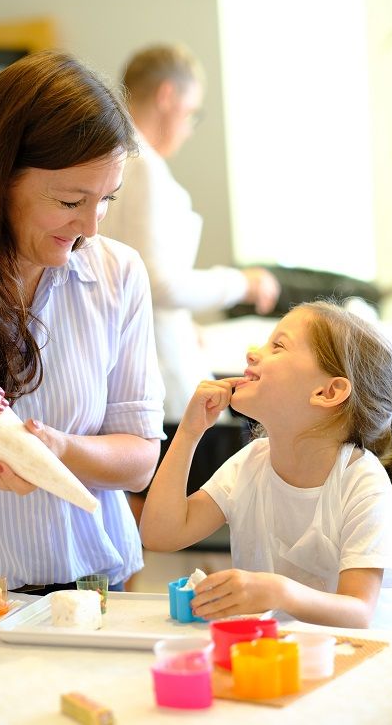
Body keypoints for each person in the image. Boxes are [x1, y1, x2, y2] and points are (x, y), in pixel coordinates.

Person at [0, 50, 165, 594]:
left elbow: (140, 461)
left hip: (96, 593)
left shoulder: (117, 273)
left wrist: (57, 451)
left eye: (106, 199)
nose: (90, 227)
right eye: (71, 201)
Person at [140, 299, 392, 630]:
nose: (252, 353)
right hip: (283, 648)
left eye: (278, 346)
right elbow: (160, 534)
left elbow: (358, 611)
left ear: (327, 392)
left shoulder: (361, 482)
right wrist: (189, 432)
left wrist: (278, 592)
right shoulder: (251, 463)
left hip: (367, 650)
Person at [101, 43, 280, 512]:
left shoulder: (114, 156)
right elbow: (159, 281)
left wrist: (185, 325)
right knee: (162, 513)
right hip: (153, 367)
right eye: (192, 113)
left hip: (137, 347)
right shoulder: (142, 165)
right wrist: (242, 283)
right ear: (168, 96)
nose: (188, 127)